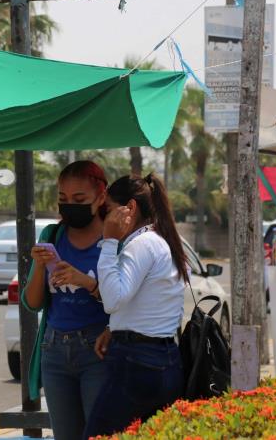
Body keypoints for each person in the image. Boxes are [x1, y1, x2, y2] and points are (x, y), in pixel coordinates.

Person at [83, 173, 187, 438]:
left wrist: (109, 241)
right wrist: (115, 327)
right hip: (165, 359)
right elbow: (148, 302)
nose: (103, 218)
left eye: (107, 210)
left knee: (98, 435)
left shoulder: (141, 244)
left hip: (137, 361)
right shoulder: (161, 240)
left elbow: (113, 299)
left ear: (129, 208)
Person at [22, 161, 111, 440]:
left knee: (99, 433)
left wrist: (84, 281)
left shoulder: (113, 238)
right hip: (54, 349)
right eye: (63, 199)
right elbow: (32, 303)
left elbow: (123, 300)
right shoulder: (52, 235)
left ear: (101, 197)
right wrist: (39, 266)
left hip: (98, 349)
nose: (69, 205)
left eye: (79, 199)